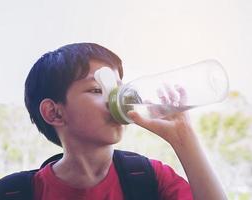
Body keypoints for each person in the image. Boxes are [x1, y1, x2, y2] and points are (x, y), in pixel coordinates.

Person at [23, 43, 226, 199]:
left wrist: (184, 137)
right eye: (97, 89)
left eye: (119, 89)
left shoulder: (150, 177)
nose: (117, 99)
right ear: (54, 113)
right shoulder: (20, 193)